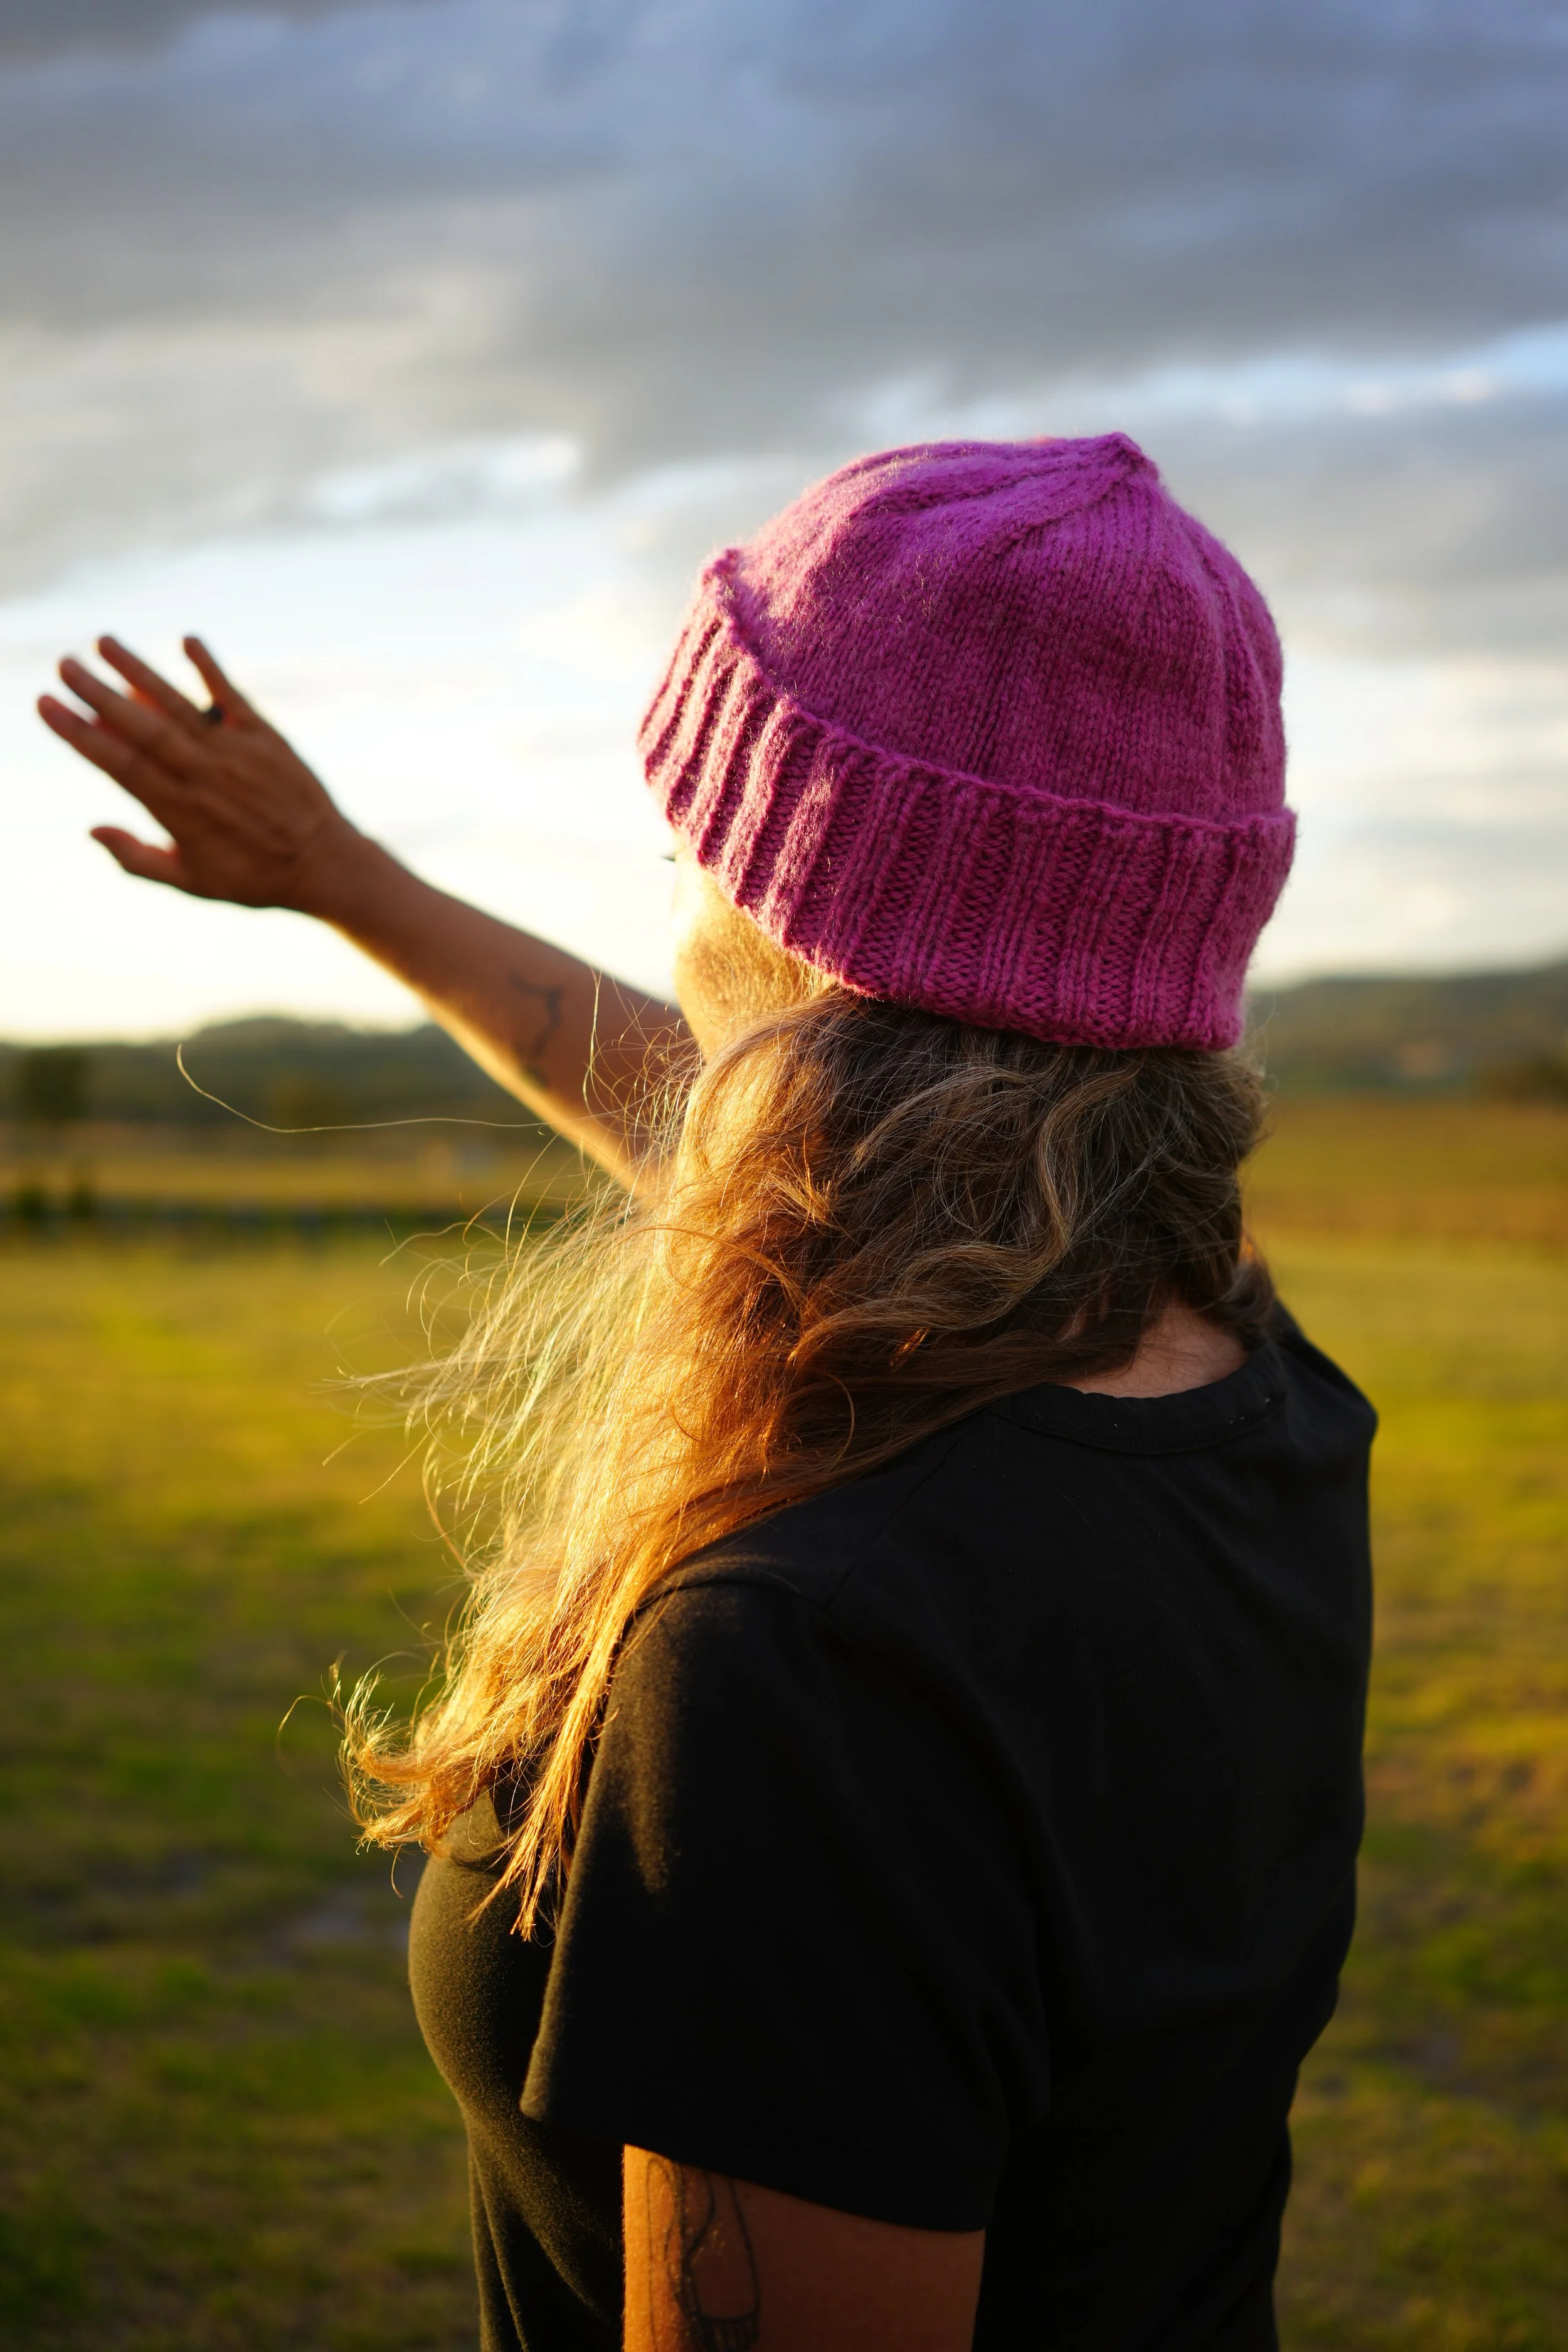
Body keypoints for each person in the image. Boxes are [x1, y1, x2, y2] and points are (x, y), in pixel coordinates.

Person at [40, 432, 1375, 2352]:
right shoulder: (1234, 1362)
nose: (671, 877)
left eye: (695, 835)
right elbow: (754, 1131)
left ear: (785, 918)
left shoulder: (801, 1661)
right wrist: (343, 879)